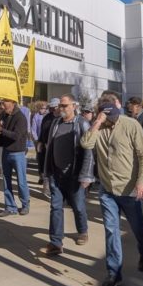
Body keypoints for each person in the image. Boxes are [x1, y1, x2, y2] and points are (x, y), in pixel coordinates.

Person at [81, 101, 143, 286]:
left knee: (138, 228)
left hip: (129, 189)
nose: (111, 122)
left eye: (113, 117)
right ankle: (114, 273)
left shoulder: (131, 125)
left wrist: (142, 180)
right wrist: (97, 123)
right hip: (107, 189)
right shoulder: (99, 127)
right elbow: (86, 143)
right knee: (111, 231)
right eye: (107, 118)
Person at [44, 94, 94, 255]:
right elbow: (49, 148)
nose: (61, 108)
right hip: (56, 174)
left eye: (65, 105)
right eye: (60, 105)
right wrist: (46, 171)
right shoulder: (56, 123)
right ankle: (56, 242)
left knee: (78, 207)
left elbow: (89, 151)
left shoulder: (82, 124)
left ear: (74, 106)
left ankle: (82, 230)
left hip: (74, 176)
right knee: (55, 207)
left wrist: (86, 176)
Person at [0, 98, 30, 217]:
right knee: (6, 180)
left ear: (13, 103)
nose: (2, 104)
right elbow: (0, 132)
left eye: (5, 102)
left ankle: (25, 204)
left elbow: (16, 136)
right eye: (2, 102)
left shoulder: (20, 117)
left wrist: (1, 130)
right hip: (6, 151)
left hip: (18, 153)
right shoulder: (2, 115)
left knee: (21, 181)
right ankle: (10, 206)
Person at [31, 101, 48, 183]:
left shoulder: (48, 116)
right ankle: (41, 176)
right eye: (42, 108)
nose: (43, 110)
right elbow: (33, 130)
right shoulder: (36, 117)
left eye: (45, 108)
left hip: (47, 141)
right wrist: (37, 140)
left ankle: (46, 176)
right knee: (40, 159)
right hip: (39, 141)